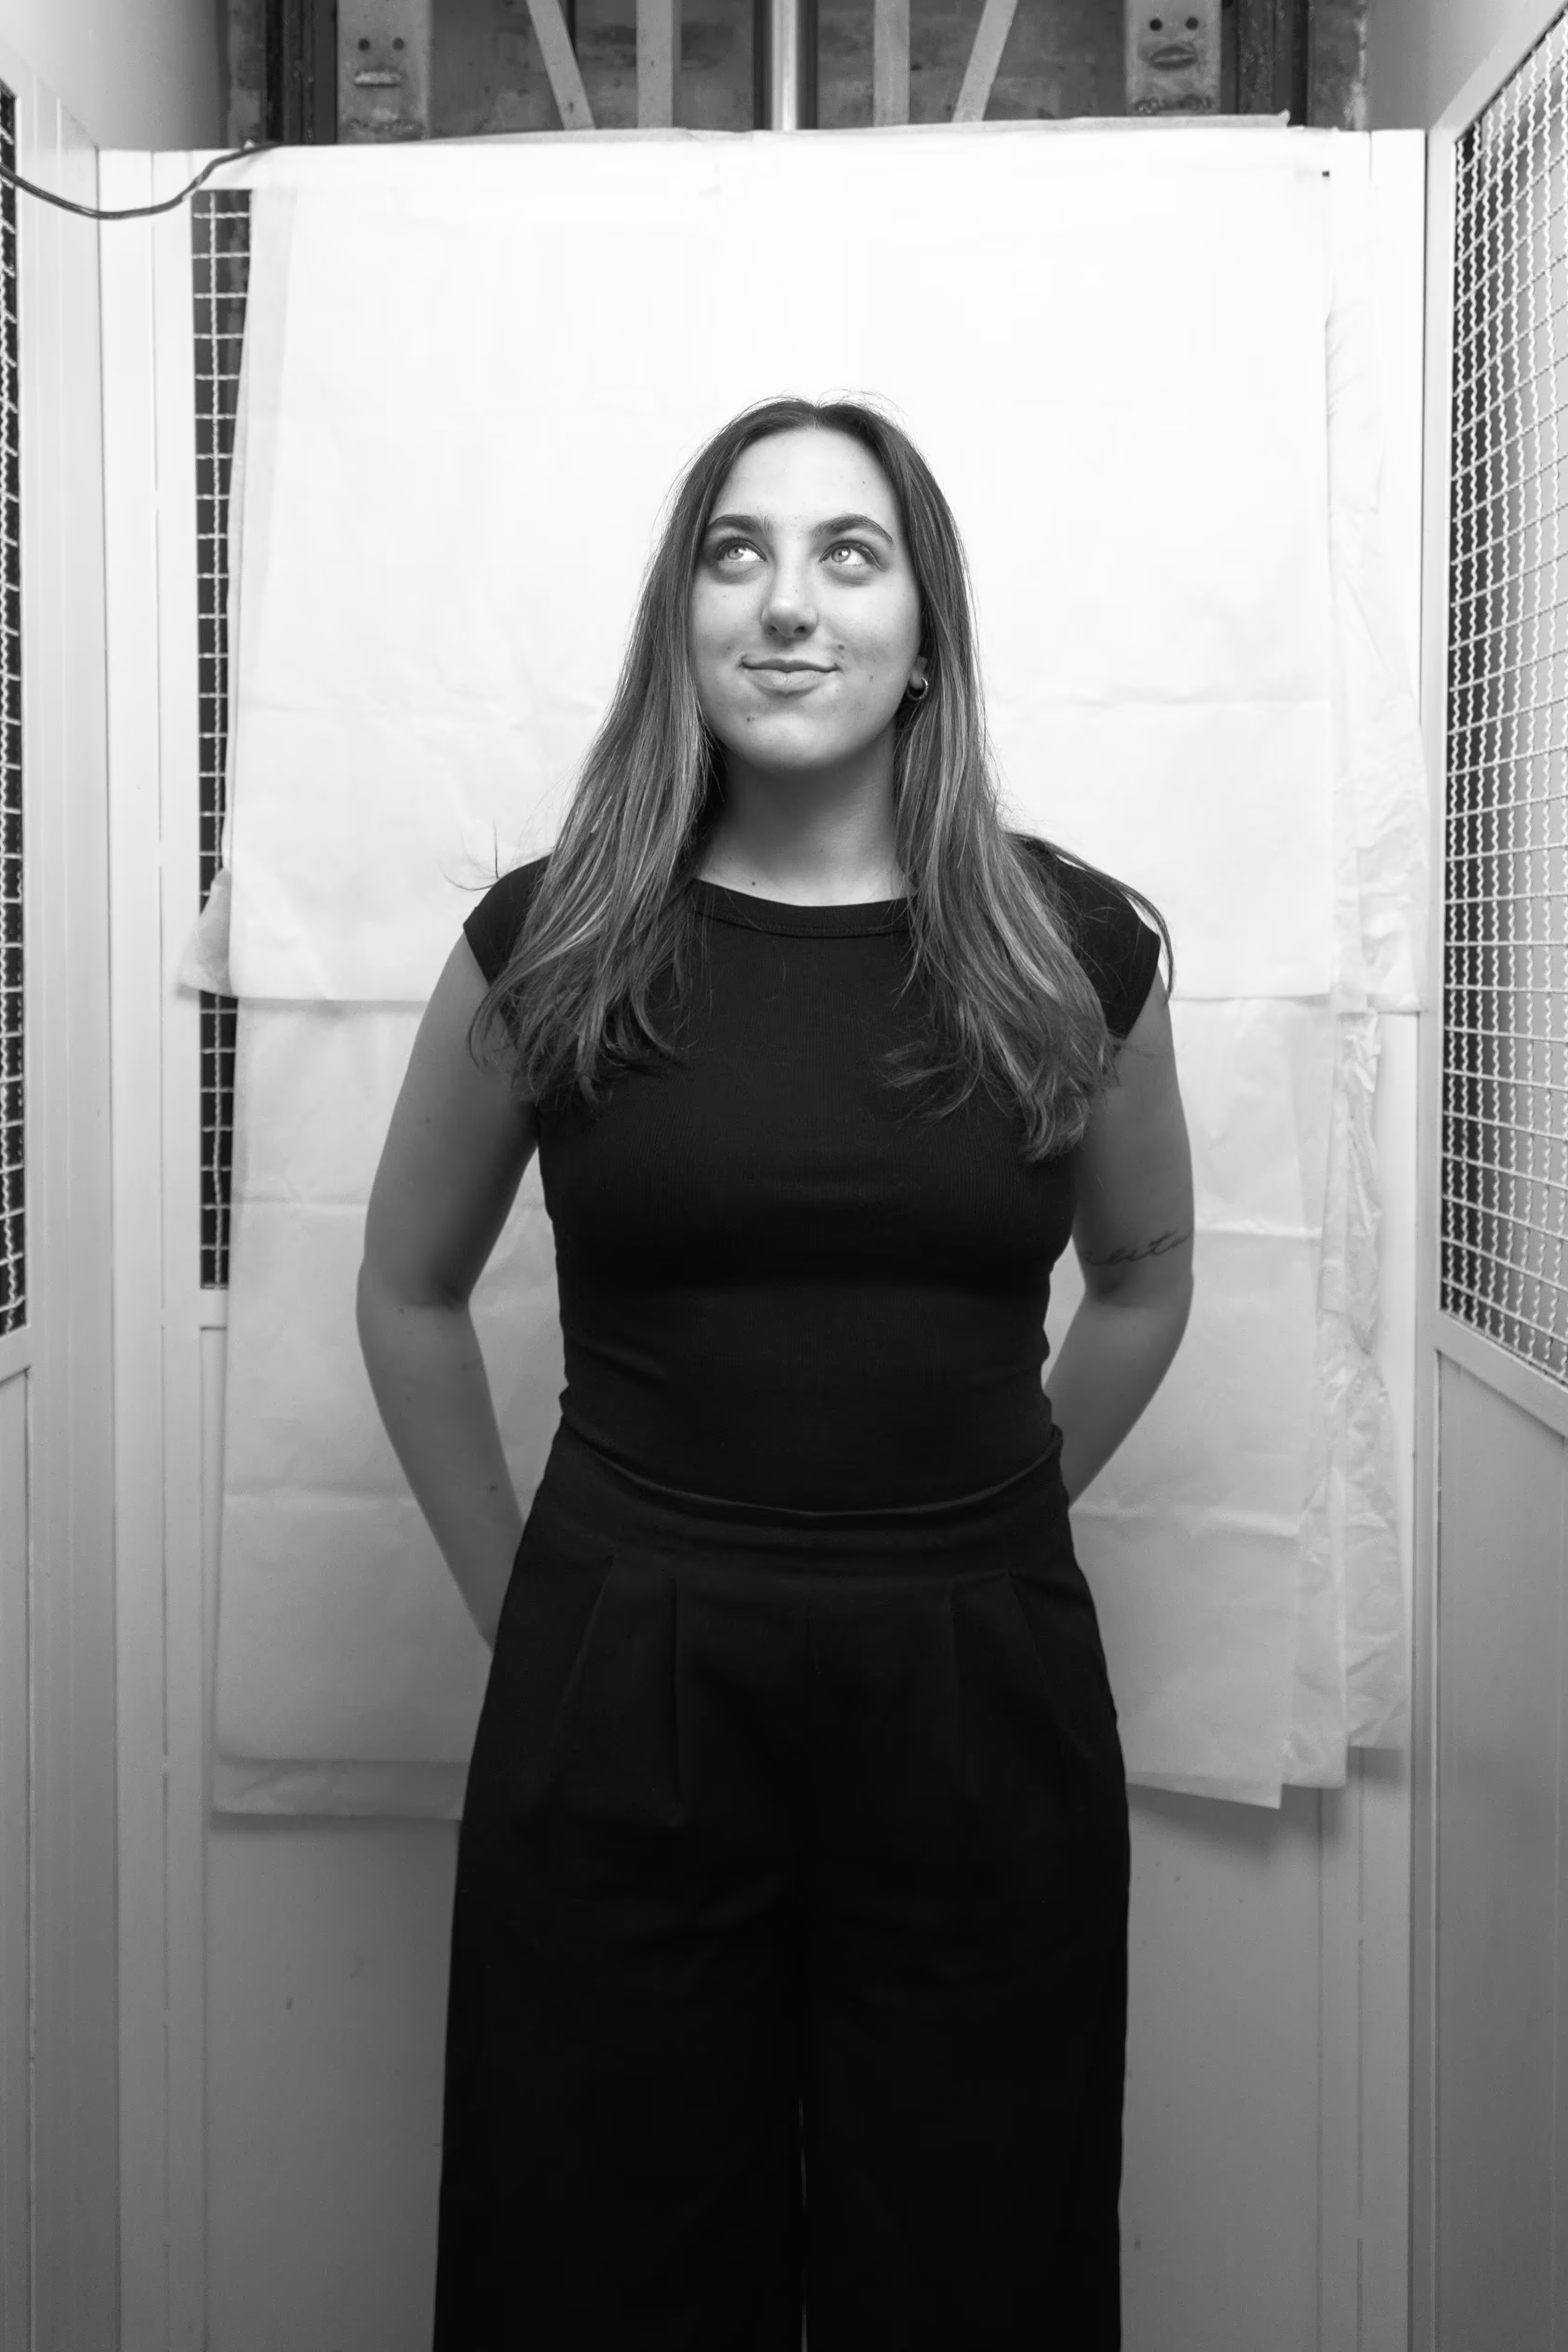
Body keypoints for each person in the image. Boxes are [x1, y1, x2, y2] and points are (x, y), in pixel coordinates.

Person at [357, 393, 1194, 2352]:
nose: (788, 605)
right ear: (683, 617)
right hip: (621, 1699)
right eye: (736, 552)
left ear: (927, 625)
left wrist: (986, 1526)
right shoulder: (554, 936)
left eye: (847, 552)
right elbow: (406, 1294)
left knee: (974, 2262)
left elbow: (1147, 1273)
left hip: (979, 1713)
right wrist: (537, 1612)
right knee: (598, 2269)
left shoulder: (1073, 946)